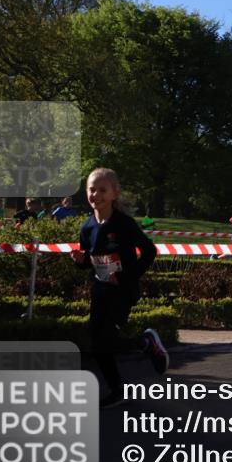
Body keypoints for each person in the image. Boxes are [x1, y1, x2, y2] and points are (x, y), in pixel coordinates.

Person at [70, 168, 168, 409]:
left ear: (115, 193)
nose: (96, 195)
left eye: (102, 190)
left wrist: (127, 277)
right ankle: (120, 386)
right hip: (99, 290)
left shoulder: (124, 224)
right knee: (97, 345)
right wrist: (80, 261)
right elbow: (89, 261)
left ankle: (144, 345)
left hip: (123, 292)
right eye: (92, 189)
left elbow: (149, 251)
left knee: (105, 340)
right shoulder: (87, 227)